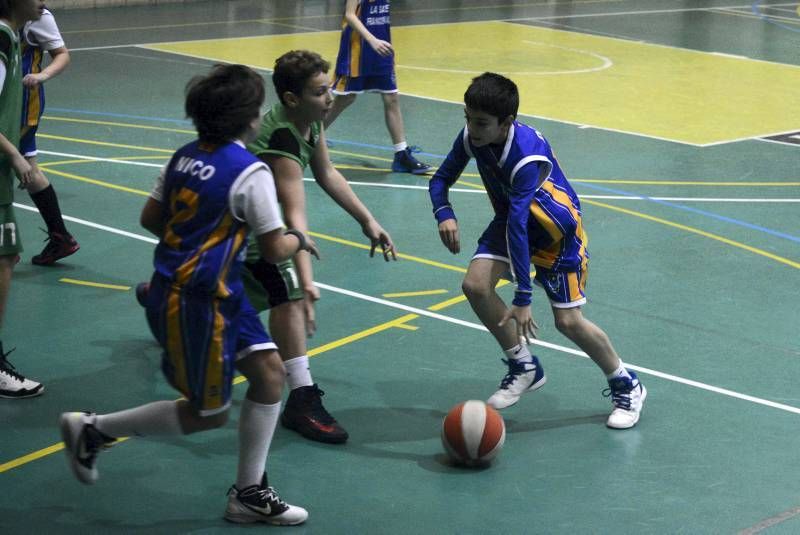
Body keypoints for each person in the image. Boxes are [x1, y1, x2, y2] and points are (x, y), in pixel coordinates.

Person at [60, 64, 315, 525]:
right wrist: (300, 236)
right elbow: (276, 247)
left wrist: (196, 245)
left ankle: (249, 493)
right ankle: (94, 431)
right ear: (247, 118)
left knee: (269, 375)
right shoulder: (249, 170)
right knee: (207, 415)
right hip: (195, 303)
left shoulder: (181, 157)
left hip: (215, 292)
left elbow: (150, 219)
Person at [428, 72, 646, 429]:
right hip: (514, 222)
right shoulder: (473, 136)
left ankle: (626, 382)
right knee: (475, 286)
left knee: (568, 322)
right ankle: (524, 365)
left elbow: (518, 224)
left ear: (506, 122)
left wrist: (523, 295)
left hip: (555, 232)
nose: (472, 128)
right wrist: (444, 212)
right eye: (467, 118)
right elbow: (440, 179)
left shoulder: (525, 156)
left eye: (480, 122)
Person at [245, 50, 397, 443]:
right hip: (240, 231)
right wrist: (307, 282)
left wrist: (368, 220)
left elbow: (327, 173)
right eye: (319, 92)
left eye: (329, 88)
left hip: (260, 225)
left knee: (231, 304)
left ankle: (167, 294)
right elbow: (296, 218)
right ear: (292, 99)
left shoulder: (310, 123)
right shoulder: (279, 137)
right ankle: (301, 399)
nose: (329, 97)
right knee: (290, 297)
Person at [323, 0, 431, 175]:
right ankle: (308, 137)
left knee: (392, 97)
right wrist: (372, 40)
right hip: (358, 49)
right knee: (346, 98)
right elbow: (350, 15)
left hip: (381, 47)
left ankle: (401, 154)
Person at [0, 0, 44, 398]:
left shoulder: (13, 37)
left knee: (7, 256)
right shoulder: (0, 37)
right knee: (4, 259)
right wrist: (14, 155)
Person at [18, 4, 77, 265]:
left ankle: (8, 248)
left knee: (20, 165)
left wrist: (43, 75)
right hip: (7, 100)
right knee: (29, 168)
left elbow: (62, 54)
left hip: (21, 105)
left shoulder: (37, 16)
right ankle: (60, 236)